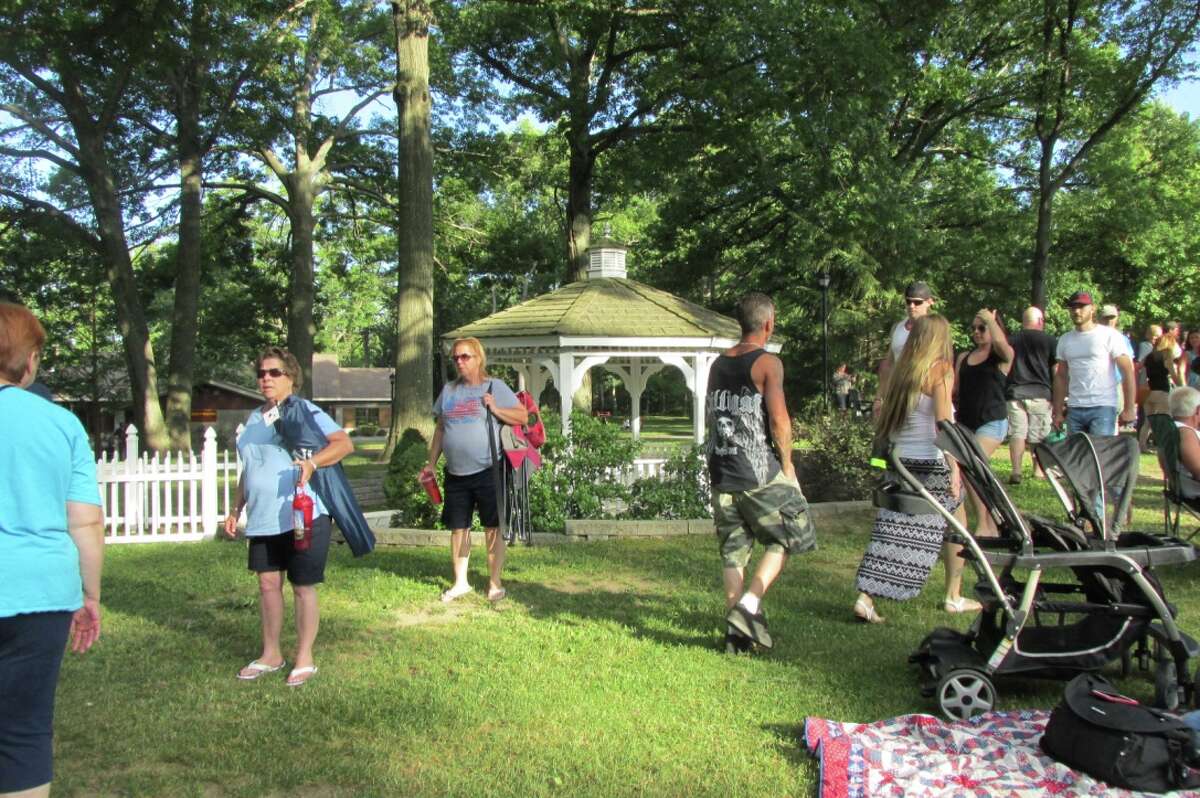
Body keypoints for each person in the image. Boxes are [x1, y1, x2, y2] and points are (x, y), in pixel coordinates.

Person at [0, 302, 104, 797]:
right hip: (41, 593)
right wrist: (91, 595)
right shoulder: (61, 425)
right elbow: (84, 519)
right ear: (30, 357)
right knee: (23, 732)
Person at [223, 347, 353, 687]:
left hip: (302, 513)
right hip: (263, 517)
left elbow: (342, 444)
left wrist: (312, 464)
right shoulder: (254, 418)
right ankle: (271, 654)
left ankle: (304, 657)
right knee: (267, 584)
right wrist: (236, 508)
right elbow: (249, 469)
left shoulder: (304, 410)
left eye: (274, 372)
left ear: (291, 377)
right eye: (262, 373)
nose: (266, 378)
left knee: (302, 586)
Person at [706, 292, 816, 652]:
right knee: (789, 533)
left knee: (733, 552)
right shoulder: (768, 363)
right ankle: (750, 605)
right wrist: (788, 468)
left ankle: (735, 635)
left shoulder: (718, 364)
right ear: (769, 323)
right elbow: (779, 420)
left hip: (721, 470)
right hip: (756, 472)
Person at [854, 315, 976, 624]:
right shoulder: (940, 372)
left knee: (893, 527)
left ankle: (865, 597)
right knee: (954, 526)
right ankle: (953, 596)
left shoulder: (900, 373)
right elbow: (943, 425)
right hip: (929, 462)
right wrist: (955, 469)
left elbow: (881, 418)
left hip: (901, 461)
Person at [424, 337, 527, 603]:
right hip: (455, 474)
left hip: (488, 470)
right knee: (459, 528)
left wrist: (495, 407)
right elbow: (440, 429)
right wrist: (431, 464)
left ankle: (494, 583)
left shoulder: (495, 386)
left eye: (465, 356)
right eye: (456, 357)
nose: (459, 361)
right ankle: (460, 583)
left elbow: (523, 416)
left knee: (492, 528)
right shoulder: (448, 391)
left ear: (478, 358)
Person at [953, 308, 1012, 537]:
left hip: (992, 422)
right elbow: (955, 390)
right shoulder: (963, 358)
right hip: (967, 422)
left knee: (972, 466)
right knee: (972, 470)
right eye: (974, 328)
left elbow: (1003, 345)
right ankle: (992, 521)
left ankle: (985, 525)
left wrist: (990, 319)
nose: (976, 332)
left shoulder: (1002, 357)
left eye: (982, 327)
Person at [1052, 291, 1136, 436]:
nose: (1077, 311)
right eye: (1073, 307)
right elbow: (1061, 376)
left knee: (1099, 454)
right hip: (1074, 407)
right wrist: (1058, 411)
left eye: (1081, 307)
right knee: (1076, 456)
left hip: (1103, 407)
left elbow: (1127, 371)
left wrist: (1129, 408)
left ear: (1093, 308)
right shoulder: (1065, 340)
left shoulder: (1110, 335)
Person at [1005, 306, 1057, 484]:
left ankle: (1016, 471)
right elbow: (1055, 370)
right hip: (1040, 392)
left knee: (1017, 433)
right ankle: (1038, 470)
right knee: (1039, 434)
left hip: (1015, 392)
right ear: (1040, 321)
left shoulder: (1011, 340)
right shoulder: (1050, 340)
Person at [876, 281, 935, 415]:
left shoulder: (934, 329)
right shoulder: (898, 328)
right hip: (897, 398)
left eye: (917, 302)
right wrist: (879, 398)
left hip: (925, 401)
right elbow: (888, 365)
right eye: (908, 302)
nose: (911, 306)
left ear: (929, 302)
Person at [1139, 333, 1179, 452]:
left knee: (1147, 423)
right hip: (1162, 392)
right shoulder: (1167, 355)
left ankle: (1142, 446)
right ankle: (1164, 447)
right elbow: (1173, 374)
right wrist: (1181, 385)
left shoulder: (1149, 356)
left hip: (1149, 392)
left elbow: (1141, 370)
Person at [1099, 304, 1135, 432]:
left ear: (1116, 319)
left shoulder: (1122, 339)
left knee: (1113, 417)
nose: (1109, 321)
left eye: (1112, 317)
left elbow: (1129, 367)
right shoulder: (1093, 337)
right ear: (1099, 318)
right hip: (1098, 384)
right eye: (1106, 318)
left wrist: (1129, 406)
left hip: (1116, 384)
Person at [1169, 386, 1200, 500]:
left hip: (1183, 487)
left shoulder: (1171, 430)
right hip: (1194, 491)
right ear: (1197, 410)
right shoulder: (1185, 434)